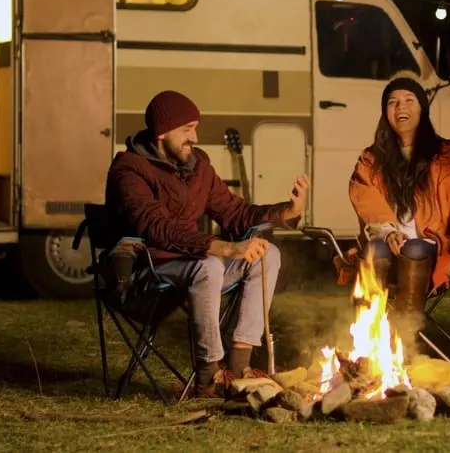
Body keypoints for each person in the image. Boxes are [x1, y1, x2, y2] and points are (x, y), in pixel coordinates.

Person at [105, 90, 309, 397]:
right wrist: (226, 248)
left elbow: (236, 212)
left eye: (195, 127)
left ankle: (240, 365)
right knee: (210, 265)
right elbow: (156, 227)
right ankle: (209, 375)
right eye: (187, 129)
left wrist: (287, 212)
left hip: (194, 267)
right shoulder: (129, 170)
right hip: (147, 271)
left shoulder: (198, 166)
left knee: (269, 255)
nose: (195, 136)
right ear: (162, 133)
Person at [347, 77, 450, 324]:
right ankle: (369, 331)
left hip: (434, 248)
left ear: (422, 109)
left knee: (415, 247)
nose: (401, 107)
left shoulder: (446, 156)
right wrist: (388, 231)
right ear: (385, 113)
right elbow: (365, 198)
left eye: (409, 101)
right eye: (393, 103)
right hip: (388, 248)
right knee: (375, 247)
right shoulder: (372, 161)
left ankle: (406, 333)